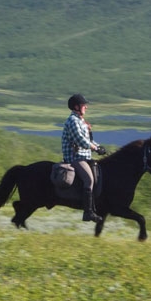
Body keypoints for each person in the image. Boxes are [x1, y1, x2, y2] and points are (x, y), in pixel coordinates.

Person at [62, 93, 107, 223]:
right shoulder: (73, 121)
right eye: (83, 105)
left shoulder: (81, 121)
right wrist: (95, 148)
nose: (86, 107)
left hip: (84, 157)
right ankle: (88, 213)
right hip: (75, 158)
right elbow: (80, 141)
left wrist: (99, 147)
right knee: (89, 179)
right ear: (76, 107)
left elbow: (88, 140)